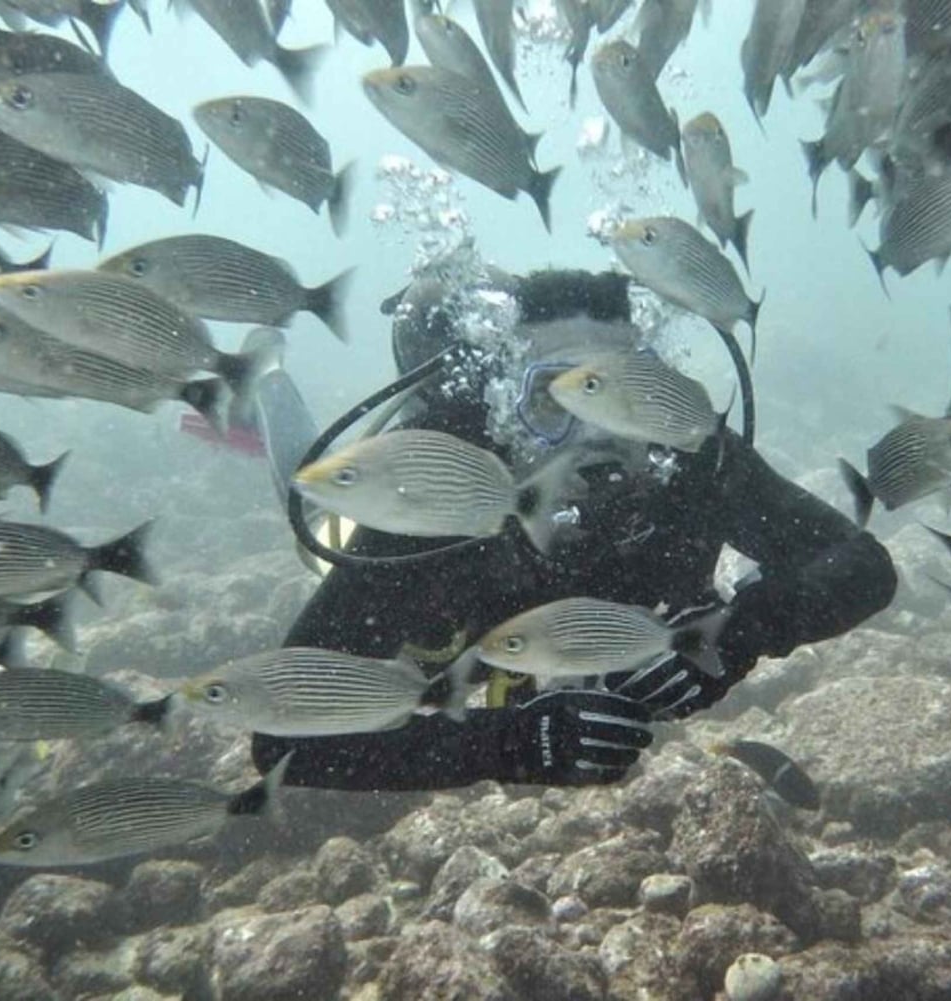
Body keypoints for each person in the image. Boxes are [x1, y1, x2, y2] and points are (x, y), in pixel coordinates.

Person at [250, 264, 896, 790]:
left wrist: (739, 633)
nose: (596, 434)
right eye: (553, 399)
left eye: (624, 396)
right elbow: (281, 735)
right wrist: (512, 743)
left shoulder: (688, 450)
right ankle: (268, 381)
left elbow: (863, 564)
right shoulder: (437, 500)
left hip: (537, 645)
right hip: (444, 641)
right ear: (508, 408)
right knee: (317, 514)